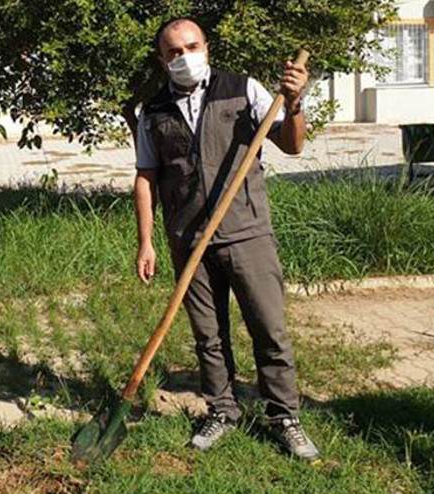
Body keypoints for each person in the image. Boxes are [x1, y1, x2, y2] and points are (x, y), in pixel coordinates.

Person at [133, 18, 319, 460]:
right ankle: (222, 409)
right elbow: (146, 177)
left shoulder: (243, 89)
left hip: (246, 232)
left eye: (191, 46)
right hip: (188, 238)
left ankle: (284, 416)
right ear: (162, 59)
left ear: (207, 47)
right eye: (174, 51)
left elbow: (292, 145)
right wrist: (146, 241)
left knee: (269, 329)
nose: (184, 57)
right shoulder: (154, 111)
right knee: (208, 335)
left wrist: (294, 104)